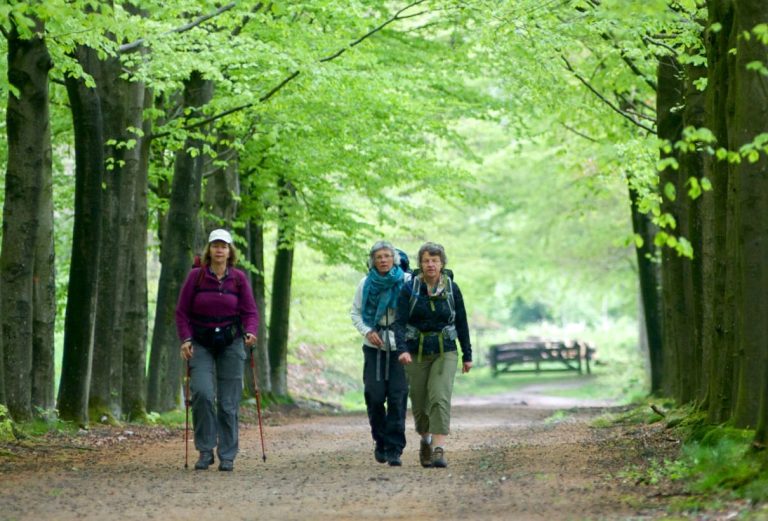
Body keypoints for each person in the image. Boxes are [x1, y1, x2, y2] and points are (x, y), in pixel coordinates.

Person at [177, 229, 259, 472]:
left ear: (230, 251)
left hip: (231, 342)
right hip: (201, 342)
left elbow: (250, 311)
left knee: (228, 401)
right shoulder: (196, 277)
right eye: (215, 246)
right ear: (209, 250)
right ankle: (205, 450)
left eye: (224, 246)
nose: (219, 250)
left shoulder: (239, 279)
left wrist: (251, 331)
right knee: (201, 394)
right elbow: (181, 312)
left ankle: (227, 454)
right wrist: (185, 339)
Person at [395, 242, 472, 468]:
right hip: (415, 351)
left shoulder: (451, 288)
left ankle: (439, 449)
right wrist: (402, 350)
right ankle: (426, 441)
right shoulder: (409, 289)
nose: (430, 264)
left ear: (442, 263)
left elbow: (462, 322)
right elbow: (399, 323)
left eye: (435, 260)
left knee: (439, 396)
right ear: (420, 264)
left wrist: (467, 354)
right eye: (426, 260)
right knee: (419, 402)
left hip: (445, 350)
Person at [350, 241, 410, 466]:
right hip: (374, 347)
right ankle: (380, 441)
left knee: (397, 397)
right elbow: (355, 313)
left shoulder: (406, 282)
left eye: (387, 256)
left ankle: (395, 448)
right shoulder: (365, 283)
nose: (383, 260)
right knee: (374, 397)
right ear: (372, 261)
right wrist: (368, 331)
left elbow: (414, 312)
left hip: (401, 348)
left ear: (394, 259)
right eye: (379, 257)